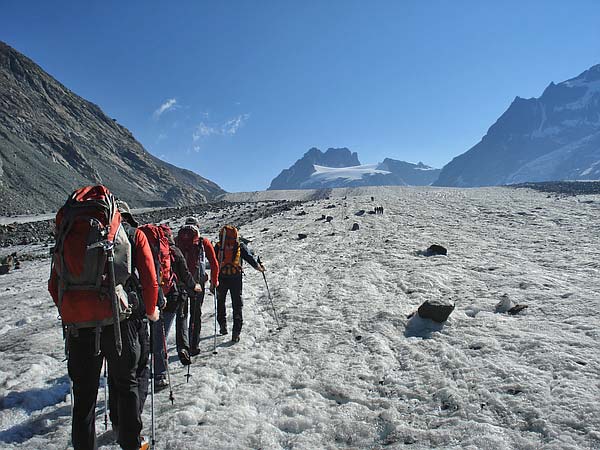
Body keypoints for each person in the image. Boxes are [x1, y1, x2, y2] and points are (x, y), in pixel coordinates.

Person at [49, 187, 159, 450]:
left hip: (78, 326)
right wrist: (152, 309)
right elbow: (150, 281)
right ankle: (132, 443)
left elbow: (55, 284)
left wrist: (72, 311)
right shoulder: (132, 234)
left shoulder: (70, 230)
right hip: (118, 323)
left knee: (84, 398)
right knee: (126, 384)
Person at [152, 225, 203, 391]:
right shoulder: (173, 250)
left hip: (148, 298)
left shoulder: (147, 248)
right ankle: (160, 373)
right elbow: (184, 272)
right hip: (171, 297)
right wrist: (194, 285)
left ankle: (143, 369)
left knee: (152, 335)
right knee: (164, 333)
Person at [176, 217, 219, 356]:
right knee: (196, 314)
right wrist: (214, 281)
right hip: (197, 283)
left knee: (182, 315)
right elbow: (214, 263)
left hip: (180, 283)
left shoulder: (177, 240)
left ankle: (182, 346)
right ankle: (193, 346)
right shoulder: (203, 241)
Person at [213, 225, 264, 343]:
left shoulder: (219, 246)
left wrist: (213, 279)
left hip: (221, 277)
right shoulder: (240, 246)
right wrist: (259, 267)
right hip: (235, 278)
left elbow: (213, 262)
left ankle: (222, 326)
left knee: (221, 301)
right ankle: (236, 333)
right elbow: (250, 258)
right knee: (237, 304)